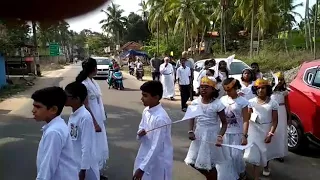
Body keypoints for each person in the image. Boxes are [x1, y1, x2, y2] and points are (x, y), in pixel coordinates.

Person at [184, 76, 228, 180]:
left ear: (213, 89)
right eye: (201, 87)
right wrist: (191, 130)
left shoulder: (218, 104)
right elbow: (192, 117)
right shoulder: (195, 102)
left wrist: (220, 136)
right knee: (193, 161)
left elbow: (224, 123)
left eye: (206, 87)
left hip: (211, 137)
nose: (203, 89)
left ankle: (212, 178)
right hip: (199, 135)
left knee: (209, 164)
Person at [31, 87, 78, 180]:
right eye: (34, 106)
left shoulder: (54, 132)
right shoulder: (57, 125)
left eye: (38, 107)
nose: (33, 110)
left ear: (53, 109)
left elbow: (48, 167)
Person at [76, 58, 109, 180]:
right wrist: (94, 122)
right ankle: (91, 173)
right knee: (92, 145)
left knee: (99, 144)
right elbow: (86, 105)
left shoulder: (92, 81)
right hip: (92, 118)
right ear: (93, 68)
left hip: (98, 116)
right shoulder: (84, 84)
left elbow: (98, 100)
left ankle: (97, 171)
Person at [133, 81, 173, 180]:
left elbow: (157, 146)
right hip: (144, 152)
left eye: (145, 96)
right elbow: (141, 127)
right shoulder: (146, 111)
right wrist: (140, 133)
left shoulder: (161, 119)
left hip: (158, 159)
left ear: (156, 97)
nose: (142, 98)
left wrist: (142, 168)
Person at [243, 79, 278, 180]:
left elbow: (275, 121)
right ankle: (256, 177)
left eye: (263, 88)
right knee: (255, 155)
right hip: (253, 130)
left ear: (267, 89)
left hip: (266, 129)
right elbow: (247, 117)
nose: (260, 90)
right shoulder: (251, 102)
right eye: (258, 88)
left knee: (265, 152)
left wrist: (271, 134)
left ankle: (266, 166)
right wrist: (245, 133)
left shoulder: (273, 103)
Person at [65, 82, 100, 180]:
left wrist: (83, 169)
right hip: (75, 163)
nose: (64, 99)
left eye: (67, 96)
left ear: (76, 99)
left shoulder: (85, 117)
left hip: (86, 167)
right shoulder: (74, 114)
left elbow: (86, 145)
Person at [217, 78, 250, 180]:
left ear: (236, 88)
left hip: (237, 133)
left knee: (236, 156)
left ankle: (240, 172)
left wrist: (244, 135)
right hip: (224, 133)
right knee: (226, 157)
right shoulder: (222, 100)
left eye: (229, 90)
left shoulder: (243, 101)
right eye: (226, 90)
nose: (227, 92)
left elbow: (245, 120)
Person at [270, 72, 291, 162]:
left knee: (281, 132)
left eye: (281, 79)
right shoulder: (270, 91)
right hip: (272, 111)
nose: (280, 81)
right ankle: (272, 152)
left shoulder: (284, 92)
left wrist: (289, 116)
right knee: (273, 131)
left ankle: (280, 153)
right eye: (278, 79)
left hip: (281, 111)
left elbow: (287, 104)